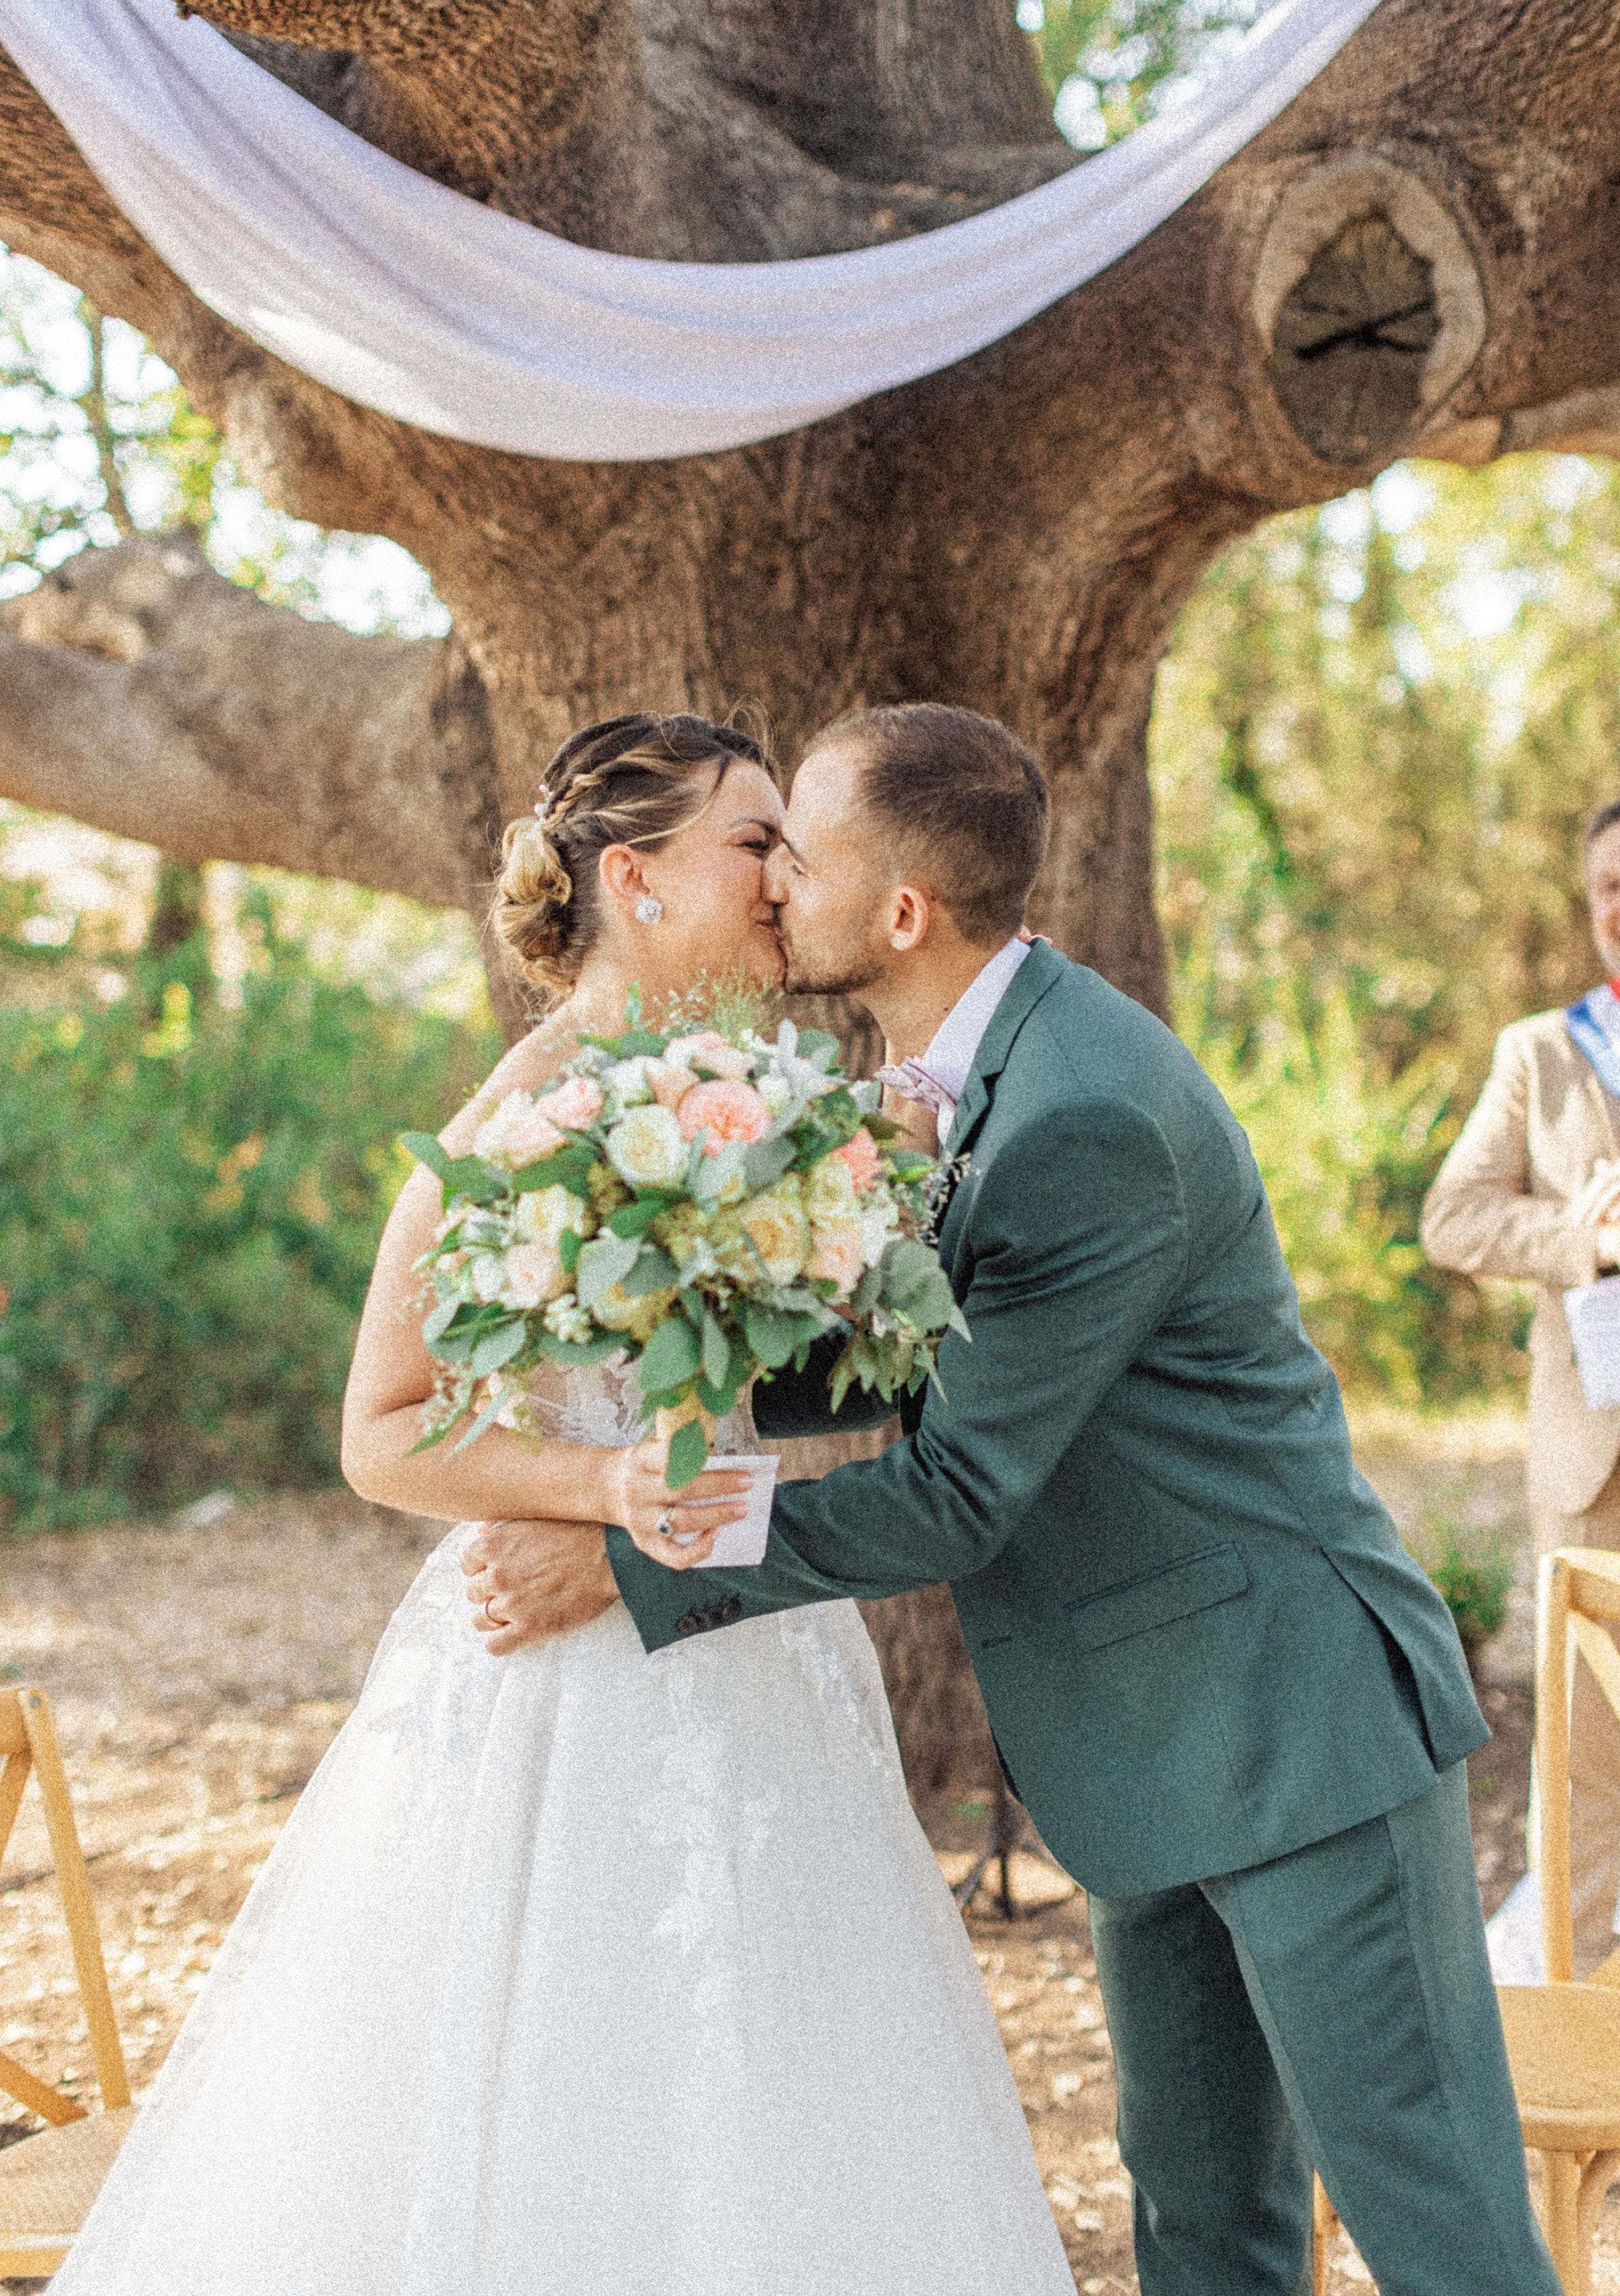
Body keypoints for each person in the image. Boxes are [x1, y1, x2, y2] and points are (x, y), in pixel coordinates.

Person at [474, 702, 1561, 2296]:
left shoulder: (1082, 1110)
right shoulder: (966, 1069)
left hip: (1293, 1726)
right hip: (1144, 1746)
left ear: (901, 912)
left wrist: (642, 1563)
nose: (773, 884)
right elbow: (940, 1369)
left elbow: (955, 1490)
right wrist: (654, 1377)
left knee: (1437, 2223)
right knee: (1201, 2222)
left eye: (802, 854)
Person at [49, 711, 1075, 2296]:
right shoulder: (523, 1120)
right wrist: (599, 1490)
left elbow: (801, 1394)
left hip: (753, 1643)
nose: (783, 878)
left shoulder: (768, 1092)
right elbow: (380, 1431)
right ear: (637, 876)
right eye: (755, 841)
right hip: (572, 1685)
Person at [1422, 796, 1620, 1981]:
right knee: (1588, 1769)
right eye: (1607, 885)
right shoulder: (1545, 1052)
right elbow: (1453, 1216)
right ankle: (1590, 2089)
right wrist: (1581, 1235)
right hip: (1595, 1465)